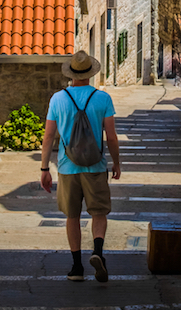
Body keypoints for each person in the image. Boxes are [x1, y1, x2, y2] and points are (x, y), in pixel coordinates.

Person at [40, 50, 121, 283]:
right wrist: (116, 163)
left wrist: (45, 169)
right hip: (95, 166)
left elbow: (49, 137)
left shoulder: (58, 99)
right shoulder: (102, 98)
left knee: (72, 216)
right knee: (99, 212)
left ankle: (76, 267)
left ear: (71, 73)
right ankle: (97, 251)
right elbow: (112, 136)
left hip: (67, 167)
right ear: (90, 73)